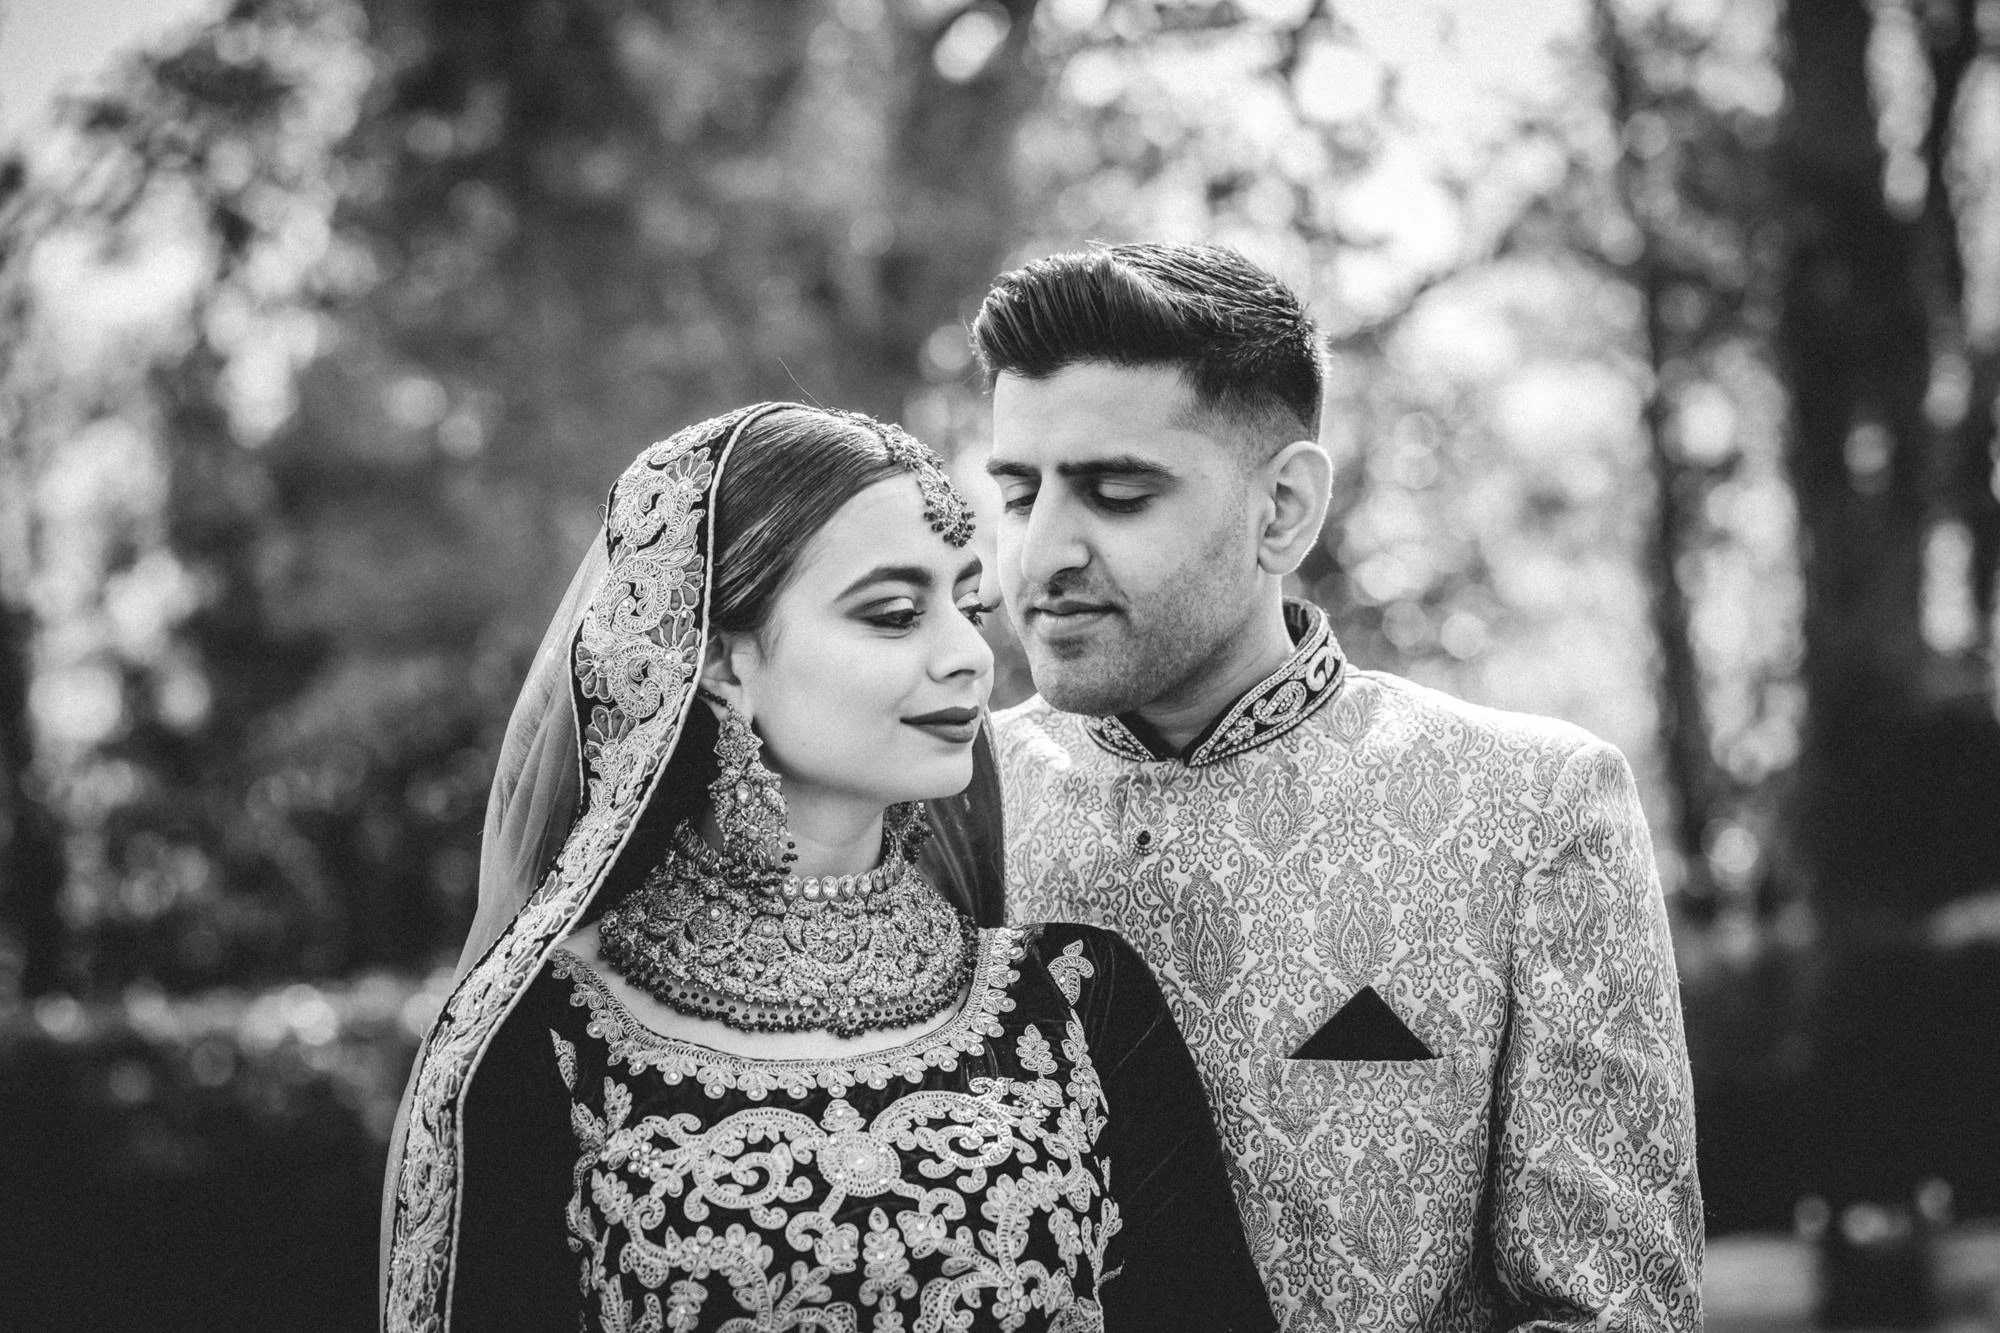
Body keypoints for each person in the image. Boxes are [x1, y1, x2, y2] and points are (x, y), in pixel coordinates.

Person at [377, 402, 1275, 1333]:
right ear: (723, 661)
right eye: (893, 614)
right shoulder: (547, 1035)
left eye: (967, 607)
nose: (970, 656)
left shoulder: (1080, 1000)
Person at [972, 243, 1704, 1332]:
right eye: (1017, 492)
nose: (1038, 555)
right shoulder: (937, 805)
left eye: (1115, 493)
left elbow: (1616, 1309)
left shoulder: (1530, 807)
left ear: (1283, 509)